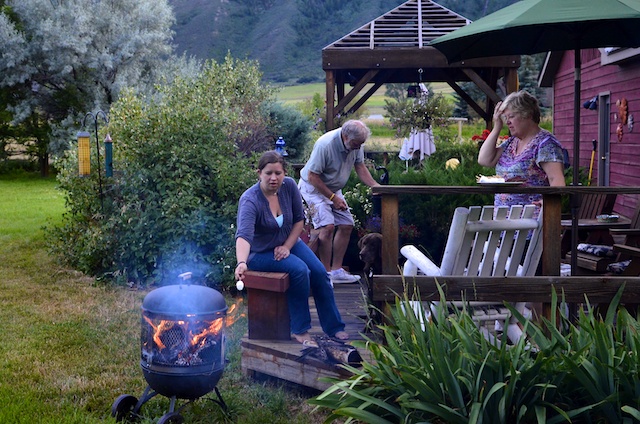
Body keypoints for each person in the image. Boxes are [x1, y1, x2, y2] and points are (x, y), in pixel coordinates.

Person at [235, 151, 348, 344]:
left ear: (284, 173)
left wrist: (287, 246)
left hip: (289, 242)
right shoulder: (250, 200)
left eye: (278, 173)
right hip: (259, 253)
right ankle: (300, 329)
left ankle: (334, 327)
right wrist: (242, 262)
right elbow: (244, 236)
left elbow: (299, 221)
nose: (273, 178)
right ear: (259, 173)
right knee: (299, 270)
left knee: (320, 272)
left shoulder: (290, 187)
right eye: (268, 173)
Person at [298, 120, 380, 284]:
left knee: (346, 224)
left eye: (361, 144)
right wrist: (332, 198)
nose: (358, 147)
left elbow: (360, 166)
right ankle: (325, 273)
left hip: (333, 189)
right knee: (327, 227)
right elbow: (313, 177)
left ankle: (336, 271)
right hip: (313, 189)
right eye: (356, 144)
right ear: (345, 136)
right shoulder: (325, 145)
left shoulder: (356, 143)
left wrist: (376, 186)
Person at [478, 90, 566, 215]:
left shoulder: (546, 143)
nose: (507, 121)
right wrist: (497, 126)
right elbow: (485, 160)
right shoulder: (511, 142)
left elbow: (557, 179)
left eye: (511, 116)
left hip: (530, 221)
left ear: (528, 115)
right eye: (506, 117)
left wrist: (547, 202)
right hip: (503, 221)